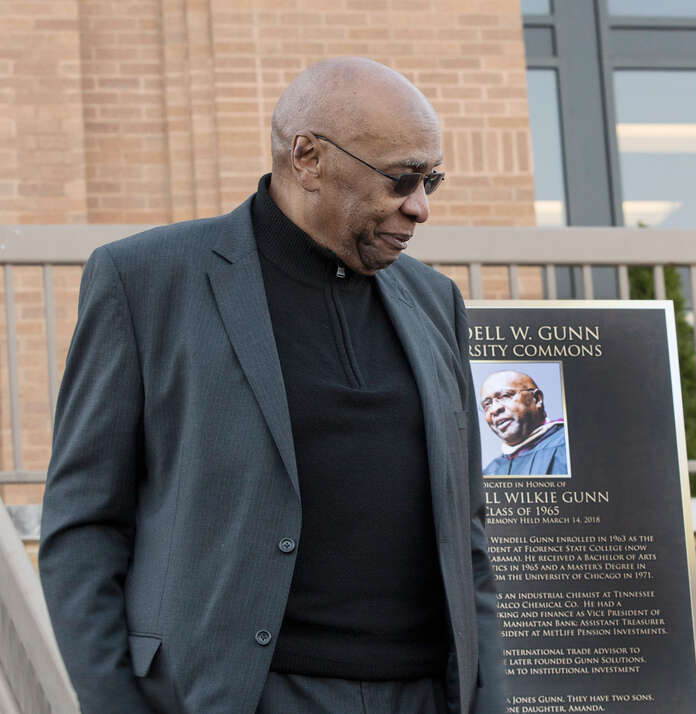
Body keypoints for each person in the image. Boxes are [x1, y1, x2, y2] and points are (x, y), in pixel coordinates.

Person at [38, 58, 504, 714]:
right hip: (236, 694)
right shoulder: (145, 279)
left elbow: (467, 531)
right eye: (401, 179)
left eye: (432, 180)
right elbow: (84, 525)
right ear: (308, 158)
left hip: (425, 695)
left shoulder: (435, 300)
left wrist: (488, 698)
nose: (420, 207)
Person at [480, 370, 568, 477]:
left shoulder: (569, 445)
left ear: (536, 399)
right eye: (487, 404)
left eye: (505, 396)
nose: (494, 409)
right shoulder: (490, 472)